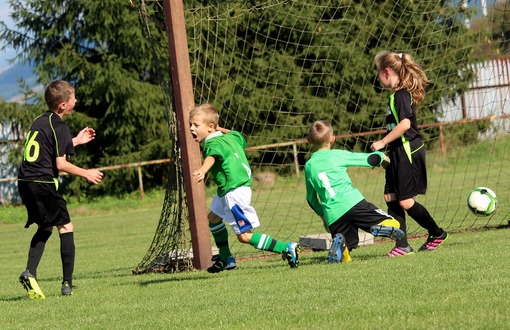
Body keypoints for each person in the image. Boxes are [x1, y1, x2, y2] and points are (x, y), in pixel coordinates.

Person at [17, 80, 103, 299]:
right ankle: (67, 285)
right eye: (73, 97)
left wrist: (76, 141)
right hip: (43, 183)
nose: (76, 100)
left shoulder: (40, 121)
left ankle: (30, 272)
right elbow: (61, 164)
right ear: (64, 105)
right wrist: (87, 172)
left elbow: (48, 147)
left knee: (45, 226)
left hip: (25, 182)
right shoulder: (60, 125)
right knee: (66, 227)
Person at [189, 103, 299, 272]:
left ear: (210, 127)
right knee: (213, 218)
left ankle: (285, 247)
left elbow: (212, 156)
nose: (191, 128)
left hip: (234, 193)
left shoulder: (212, 143)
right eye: (191, 124)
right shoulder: (231, 137)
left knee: (244, 236)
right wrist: (218, 127)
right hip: (229, 189)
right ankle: (226, 258)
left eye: (196, 125)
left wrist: (203, 170)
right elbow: (238, 134)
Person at [370, 51, 448, 256]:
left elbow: (405, 124)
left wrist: (382, 142)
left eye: (378, 72)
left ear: (387, 72)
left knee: (405, 201)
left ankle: (436, 233)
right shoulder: (395, 96)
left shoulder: (402, 95)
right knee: (391, 197)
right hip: (396, 152)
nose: (378, 77)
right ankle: (402, 245)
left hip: (408, 151)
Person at [305, 120, 406, 263]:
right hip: (354, 203)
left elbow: (311, 198)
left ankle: (341, 246)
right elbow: (366, 159)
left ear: (309, 141)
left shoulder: (309, 166)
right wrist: (381, 158)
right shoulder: (337, 155)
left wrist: (323, 216)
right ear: (332, 139)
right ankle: (378, 227)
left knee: (346, 249)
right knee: (394, 224)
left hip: (333, 214)